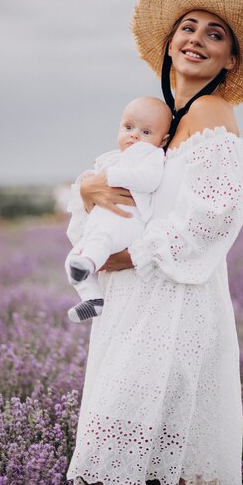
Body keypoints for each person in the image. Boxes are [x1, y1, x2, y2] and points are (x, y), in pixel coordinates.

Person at [65, 0, 243, 485]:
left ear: (230, 60)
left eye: (215, 34)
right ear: (168, 42)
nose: (197, 38)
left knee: (113, 465)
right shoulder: (162, 119)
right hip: (140, 302)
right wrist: (87, 190)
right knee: (167, 469)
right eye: (188, 27)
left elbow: (215, 215)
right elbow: (122, 194)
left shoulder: (212, 113)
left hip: (172, 301)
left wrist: (126, 254)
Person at [65, 96, 172, 323]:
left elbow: (150, 180)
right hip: (105, 222)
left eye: (145, 132)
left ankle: (89, 263)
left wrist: (111, 176)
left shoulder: (151, 156)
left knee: (100, 241)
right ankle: (92, 299)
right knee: (73, 257)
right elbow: (93, 182)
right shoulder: (114, 157)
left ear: (163, 140)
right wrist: (88, 180)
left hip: (127, 221)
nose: (134, 135)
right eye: (129, 127)